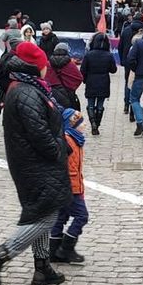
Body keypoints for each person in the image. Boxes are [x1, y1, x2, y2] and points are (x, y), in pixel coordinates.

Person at [0, 41, 71, 285]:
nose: (46, 70)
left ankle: (42, 269)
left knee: (40, 212)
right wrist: (59, 148)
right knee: (46, 218)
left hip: (33, 163)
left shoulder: (28, 86)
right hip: (35, 164)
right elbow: (39, 133)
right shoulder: (26, 92)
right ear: (35, 67)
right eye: (44, 66)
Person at [49, 108, 89, 265]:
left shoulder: (76, 139)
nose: (84, 125)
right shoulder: (66, 141)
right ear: (71, 125)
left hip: (73, 184)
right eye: (80, 122)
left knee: (61, 217)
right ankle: (66, 248)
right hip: (69, 186)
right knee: (82, 216)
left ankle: (53, 251)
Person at [79, 32, 117, 136]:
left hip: (91, 80)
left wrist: (84, 79)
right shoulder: (108, 55)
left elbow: (83, 70)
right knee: (100, 105)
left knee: (90, 105)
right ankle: (98, 123)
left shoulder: (89, 55)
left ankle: (93, 123)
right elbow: (113, 70)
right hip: (104, 81)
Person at [45, 42, 83, 112]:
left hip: (51, 94)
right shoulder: (70, 64)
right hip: (67, 95)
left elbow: (43, 78)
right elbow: (79, 78)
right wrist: (70, 88)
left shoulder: (48, 63)